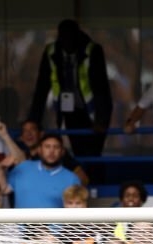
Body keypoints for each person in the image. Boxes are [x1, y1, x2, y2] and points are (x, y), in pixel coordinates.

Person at [28, 19, 112, 160]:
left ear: (77, 36)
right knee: (73, 151)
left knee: (93, 155)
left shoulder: (92, 50)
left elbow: (101, 88)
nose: (67, 42)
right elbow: (41, 89)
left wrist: (101, 120)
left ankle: (94, 179)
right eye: (63, 37)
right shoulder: (52, 52)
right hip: (67, 111)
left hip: (92, 111)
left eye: (70, 37)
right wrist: (34, 121)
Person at [5, 133, 81, 208]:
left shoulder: (71, 179)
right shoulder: (23, 167)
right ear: (39, 150)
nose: (51, 151)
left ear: (62, 152)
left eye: (56, 147)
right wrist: (0, 168)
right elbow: (4, 190)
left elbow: (76, 210)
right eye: (47, 147)